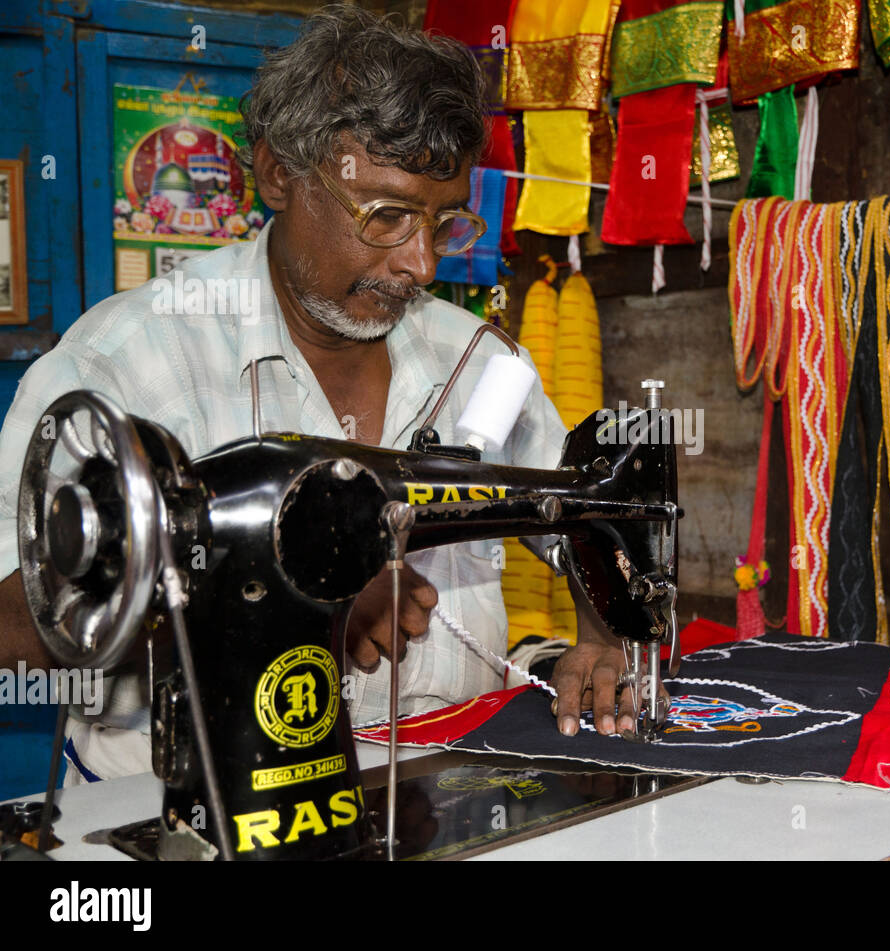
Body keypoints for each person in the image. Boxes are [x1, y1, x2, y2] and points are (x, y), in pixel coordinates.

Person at [0, 4, 632, 784]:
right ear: (278, 175)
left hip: (449, 796)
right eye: (388, 216)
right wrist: (290, 594)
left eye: (444, 222)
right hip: (195, 807)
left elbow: (584, 518)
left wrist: (605, 630)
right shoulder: (125, 365)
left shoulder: (481, 366)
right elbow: (12, 620)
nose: (422, 264)